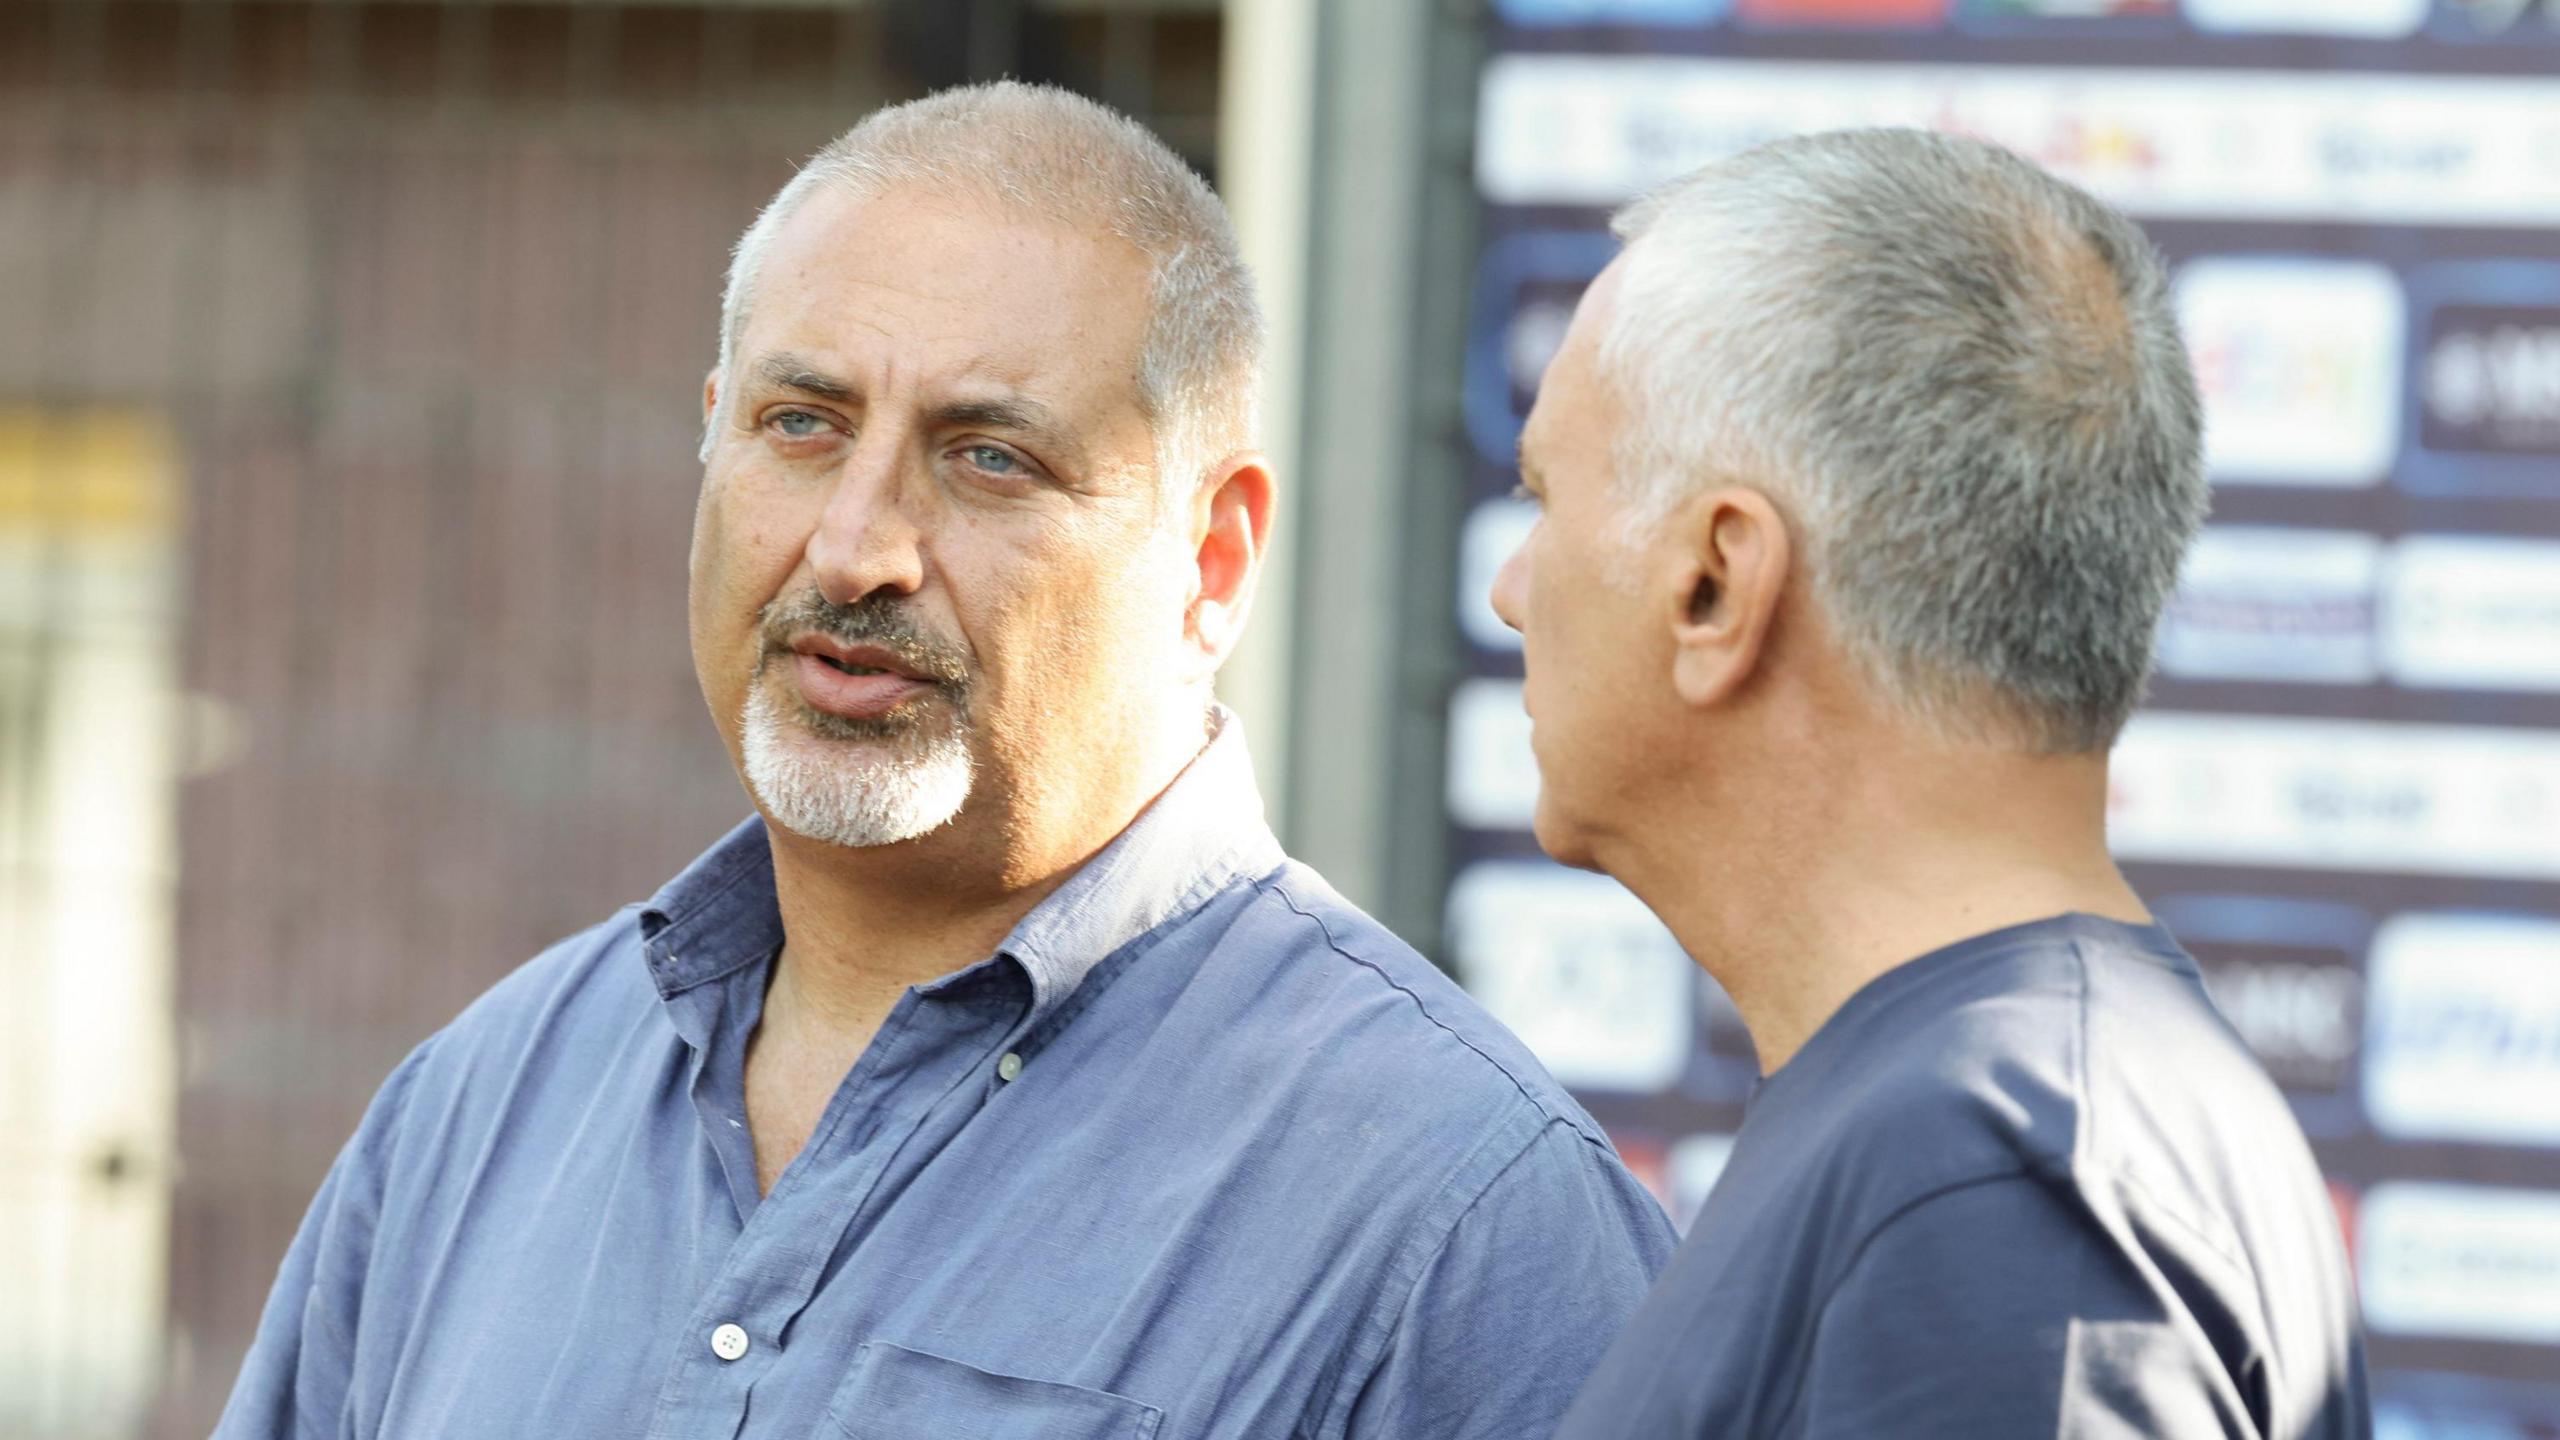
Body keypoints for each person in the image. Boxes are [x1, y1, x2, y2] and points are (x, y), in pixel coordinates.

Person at [217, 82, 1673, 1440]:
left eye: (989, 457)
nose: (857, 548)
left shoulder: (1464, 1224)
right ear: (713, 441)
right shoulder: (475, 1115)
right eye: (804, 426)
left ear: (1212, 560)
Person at [1495, 129, 2369, 1437]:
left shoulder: (1998, 1181)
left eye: (1545, 499)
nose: (1512, 591)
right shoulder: (2003, 1126)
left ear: (1715, 584)